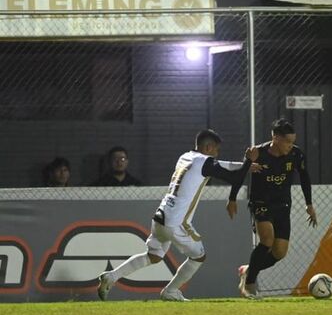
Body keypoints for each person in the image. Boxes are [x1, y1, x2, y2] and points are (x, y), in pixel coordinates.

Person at [97, 129, 258, 302]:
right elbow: (234, 178)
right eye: (216, 149)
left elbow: (220, 165)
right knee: (199, 256)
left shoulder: (186, 157)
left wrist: (244, 166)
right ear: (208, 147)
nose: (217, 153)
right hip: (177, 222)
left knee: (153, 256)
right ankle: (171, 291)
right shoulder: (205, 162)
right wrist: (248, 161)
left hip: (161, 215)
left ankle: (112, 276)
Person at [228, 118, 317, 299]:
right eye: (288, 142)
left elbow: (305, 178)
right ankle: (250, 284)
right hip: (261, 203)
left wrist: (309, 204)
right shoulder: (257, 153)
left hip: (283, 205)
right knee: (267, 240)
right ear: (275, 138)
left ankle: (248, 270)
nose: (291, 146)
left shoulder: (296, 155)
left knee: (279, 252)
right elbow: (239, 175)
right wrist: (232, 198)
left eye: (293, 142)